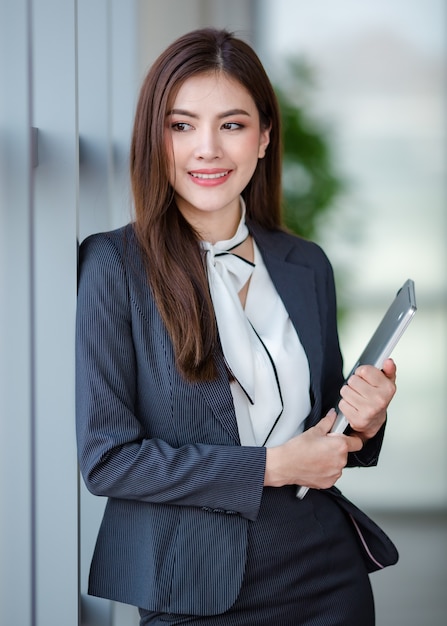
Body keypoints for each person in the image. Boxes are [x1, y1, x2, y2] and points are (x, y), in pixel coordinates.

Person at [76, 28, 398, 626]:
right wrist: (274, 467)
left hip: (324, 573)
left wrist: (366, 417)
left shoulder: (306, 265)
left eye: (232, 124)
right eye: (181, 125)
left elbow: (326, 430)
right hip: (193, 586)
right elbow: (109, 462)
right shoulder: (114, 267)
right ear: (156, 137)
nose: (208, 149)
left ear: (264, 135)